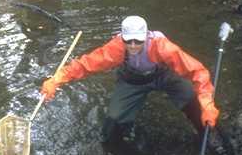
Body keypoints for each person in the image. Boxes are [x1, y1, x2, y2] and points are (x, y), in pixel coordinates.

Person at [40, 15, 220, 145]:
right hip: (132, 80)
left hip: (164, 75)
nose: (133, 46)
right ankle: (122, 144)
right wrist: (56, 80)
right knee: (114, 120)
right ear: (123, 38)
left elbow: (198, 72)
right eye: (129, 41)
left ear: (146, 37)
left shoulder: (162, 47)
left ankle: (206, 134)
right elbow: (86, 65)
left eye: (138, 41)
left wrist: (207, 104)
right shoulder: (117, 47)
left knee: (192, 99)